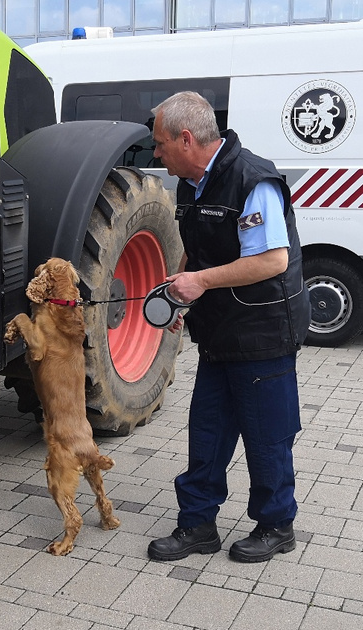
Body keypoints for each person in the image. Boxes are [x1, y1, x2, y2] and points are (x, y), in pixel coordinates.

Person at [146, 91, 310, 563]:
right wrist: (176, 292)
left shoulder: (252, 180)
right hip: (219, 333)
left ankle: (277, 525)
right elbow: (194, 251)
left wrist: (199, 281)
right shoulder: (191, 183)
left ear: (186, 138)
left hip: (262, 333)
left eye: (160, 144)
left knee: (267, 437)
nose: (156, 153)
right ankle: (197, 524)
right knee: (208, 432)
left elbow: (272, 260)